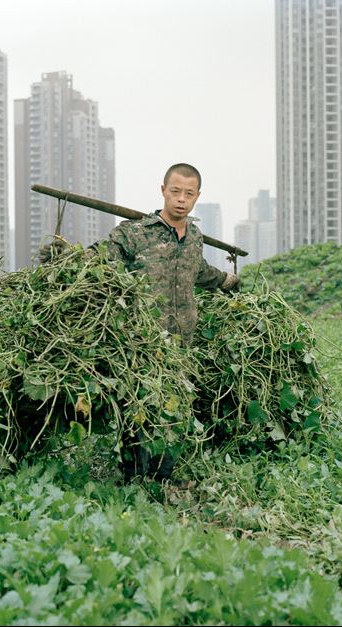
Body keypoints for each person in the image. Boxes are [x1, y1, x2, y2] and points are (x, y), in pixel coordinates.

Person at [41, 163, 240, 481]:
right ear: (163, 191)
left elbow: (198, 270)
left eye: (189, 194)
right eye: (175, 191)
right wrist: (65, 256)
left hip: (182, 348)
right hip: (142, 345)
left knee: (175, 413)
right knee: (139, 414)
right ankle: (133, 482)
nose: (181, 199)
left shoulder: (195, 238)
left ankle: (162, 481)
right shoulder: (135, 232)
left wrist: (227, 280)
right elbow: (101, 256)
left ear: (197, 197)